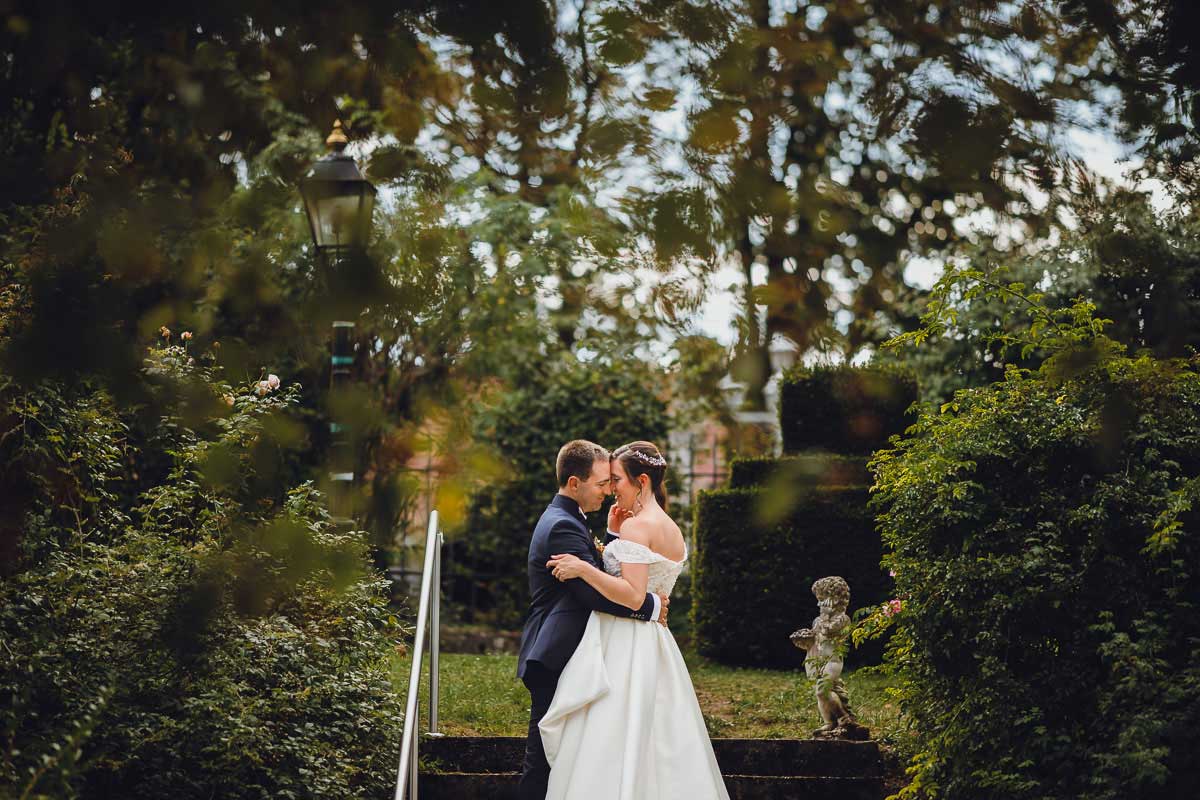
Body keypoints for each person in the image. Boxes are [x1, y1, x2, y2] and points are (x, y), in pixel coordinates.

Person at [539, 441, 730, 800]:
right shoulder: (668, 526)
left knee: (610, 735)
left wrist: (583, 568)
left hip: (623, 643)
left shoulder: (637, 527)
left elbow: (632, 594)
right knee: (659, 738)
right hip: (656, 644)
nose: (611, 489)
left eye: (616, 480)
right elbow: (646, 583)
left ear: (641, 481)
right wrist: (612, 536)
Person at [516, 440, 670, 800]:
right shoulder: (562, 527)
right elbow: (587, 593)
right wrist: (648, 606)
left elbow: (595, 574)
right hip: (556, 653)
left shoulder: (568, 519)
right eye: (601, 483)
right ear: (574, 483)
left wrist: (613, 538)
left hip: (568, 652)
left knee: (564, 756)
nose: (608, 491)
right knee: (544, 760)